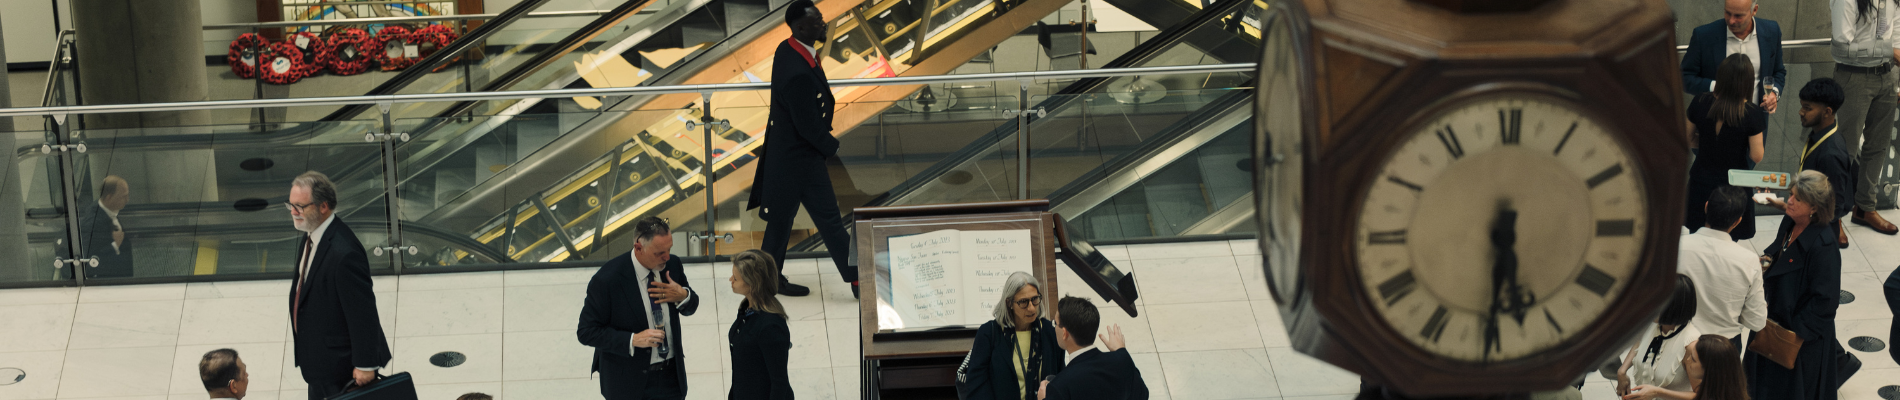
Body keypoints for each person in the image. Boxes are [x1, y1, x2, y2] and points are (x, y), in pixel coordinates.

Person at [747, 0, 857, 298]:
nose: (823, 23)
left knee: (784, 224)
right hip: (800, 159)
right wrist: (831, 146)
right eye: (816, 20)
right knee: (821, 222)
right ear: (800, 28)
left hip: (790, 158)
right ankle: (857, 278)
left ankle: (768, 283)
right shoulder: (796, 71)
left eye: (820, 18)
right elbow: (807, 124)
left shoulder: (789, 49)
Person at [285, 171, 390, 400]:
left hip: (340, 368)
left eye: (300, 207)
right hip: (320, 364)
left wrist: (365, 364)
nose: (293, 212)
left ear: (323, 206)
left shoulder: (344, 253)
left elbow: (363, 314)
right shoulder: (312, 234)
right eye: (291, 205)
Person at [578, 217, 701, 400]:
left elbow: (690, 307)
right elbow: (587, 332)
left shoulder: (672, 265)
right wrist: (632, 339)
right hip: (627, 384)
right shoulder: (607, 280)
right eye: (660, 252)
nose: (666, 257)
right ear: (638, 248)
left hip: (671, 379)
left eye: (669, 249)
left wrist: (684, 296)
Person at [1745, 170, 1842, 400]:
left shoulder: (1824, 247)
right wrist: (1766, 261)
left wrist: (1791, 333)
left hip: (1797, 341)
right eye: (1791, 195)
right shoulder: (1791, 220)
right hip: (1773, 323)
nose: (1789, 201)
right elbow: (1779, 247)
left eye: (1797, 199)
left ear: (1814, 208)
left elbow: (1825, 303)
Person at [1829, 0, 1900, 236]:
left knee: (1878, 146)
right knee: (1844, 150)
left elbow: (1896, 31)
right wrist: (1889, 50)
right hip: (1854, 76)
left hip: (1888, 75)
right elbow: (1842, 45)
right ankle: (1832, 214)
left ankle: (1865, 207)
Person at [1683, 54, 1767, 238]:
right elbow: (1756, 155)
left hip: (1701, 177)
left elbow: (1686, 137)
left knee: (1697, 231)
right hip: (1734, 183)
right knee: (1729, 235)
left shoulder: (1700, 101)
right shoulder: (1752, 114)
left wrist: (1707, 143)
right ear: (1747, 82)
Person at [1677, 186, 1767, 348]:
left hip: (1679, 340)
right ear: (1738, 221)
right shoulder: (1749, 260)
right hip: (1724, 346)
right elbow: (1757, 321)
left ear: (1706, 207)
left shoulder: (1678, 248)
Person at [1782, 78, 1856, 248]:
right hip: (1806, 219)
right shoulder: (1820, 135)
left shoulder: (1831, 154)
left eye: (1807, 108)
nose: (1801, 112)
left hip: (1816, 232)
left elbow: (1835, 206)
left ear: (1827, 112)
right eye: (1802, 106)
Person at [966, 272, 1064, 400]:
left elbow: (1060, 377)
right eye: (1023, 302)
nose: (1032, 308)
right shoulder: (989, 333)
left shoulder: (1049, 331)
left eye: (1035, 299)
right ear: (1009, 303)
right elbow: (976, 385)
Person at [1682, 0, 1787, 113]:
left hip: (1756, 123)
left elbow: (1779, 72)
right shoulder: (1704, 36)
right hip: (1714, 122)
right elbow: (1684, 78)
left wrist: (1774, 93)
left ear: (1754, 10)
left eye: (1738, 16)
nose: (1731, 21)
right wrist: (1717, 87)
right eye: (1727, 13)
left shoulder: (1772, 31)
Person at [1036, 296, 1144, 400]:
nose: (1054, 327)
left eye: (1055, 323)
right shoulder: (1122, 360)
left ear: (1065, 333)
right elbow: (1142, 395)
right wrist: (1121, 352)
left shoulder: (1059, 386)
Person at [726, 249, 794, 400]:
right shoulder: (746, 309)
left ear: (752, 283)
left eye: (736, 278)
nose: (731, 279)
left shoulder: (770, 327)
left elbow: (779, 383)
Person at [1618, 275, 1702, 397]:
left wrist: (1658, 392)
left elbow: (1702, 395)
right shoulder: (1654, 325)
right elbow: (1640, 342)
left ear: (1673, 306)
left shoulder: (1691, 346)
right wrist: (1622, 371)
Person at [1622, 335, 1750, 400]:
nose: (1687, 360)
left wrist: (1657, 392)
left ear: (1710, 369)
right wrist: (1657, 391)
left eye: (1693, 359)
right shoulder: (1722, 388)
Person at [60, 175, 134, 279]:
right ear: (109, 197)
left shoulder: (109, 210)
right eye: (123, 196)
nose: (127, 200)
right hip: (107, 283)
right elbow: (87, 261)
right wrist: (115, 245)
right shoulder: (92, 222)